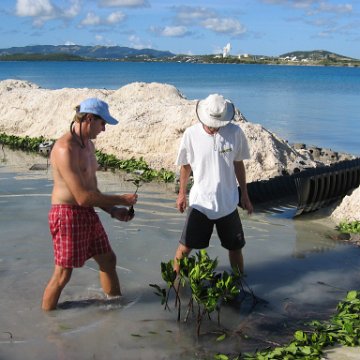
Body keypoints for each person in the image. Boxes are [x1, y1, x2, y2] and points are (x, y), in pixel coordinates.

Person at [41, 98, 138, 311]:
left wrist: (114, 210)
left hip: (87, 213)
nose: (103, 129)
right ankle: (48, 325)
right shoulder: (64, 149)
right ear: (89, 118)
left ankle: (115, 309)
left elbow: (92, 191)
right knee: (62, 274)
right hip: (66, 214)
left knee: (108, 260)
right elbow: (82, 197)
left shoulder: (89, 146)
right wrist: (121, 199)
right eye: (102, 124)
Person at [173, 94, 253, 275]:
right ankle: (174, 286)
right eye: (210, 124)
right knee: (185, 248)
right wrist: (181, 194)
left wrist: (245, 195)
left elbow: (238, 163)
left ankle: (239, 284)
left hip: (228, 203)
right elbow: (186, 166)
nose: (213, 128)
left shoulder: (235, 133)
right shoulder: (191, 134)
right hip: (200, 202)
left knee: (235, 248)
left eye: (218, 124)